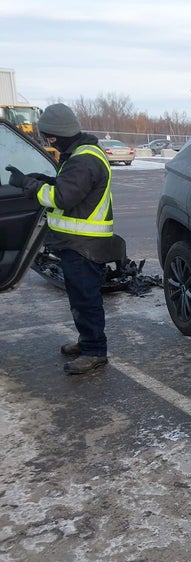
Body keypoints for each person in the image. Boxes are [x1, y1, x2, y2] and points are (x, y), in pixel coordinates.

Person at [6, 103, 114, 375]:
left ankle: (95, 351)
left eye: (49, 137)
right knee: (79, 297)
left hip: (83, 245)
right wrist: (45, 178)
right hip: (76, 243)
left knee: (86, 298)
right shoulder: (79, 154)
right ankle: (88, 341)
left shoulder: (84, 159)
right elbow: (69, 188)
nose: (47, 142)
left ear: (59, 134)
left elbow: (62, 198)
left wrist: (29, 186)